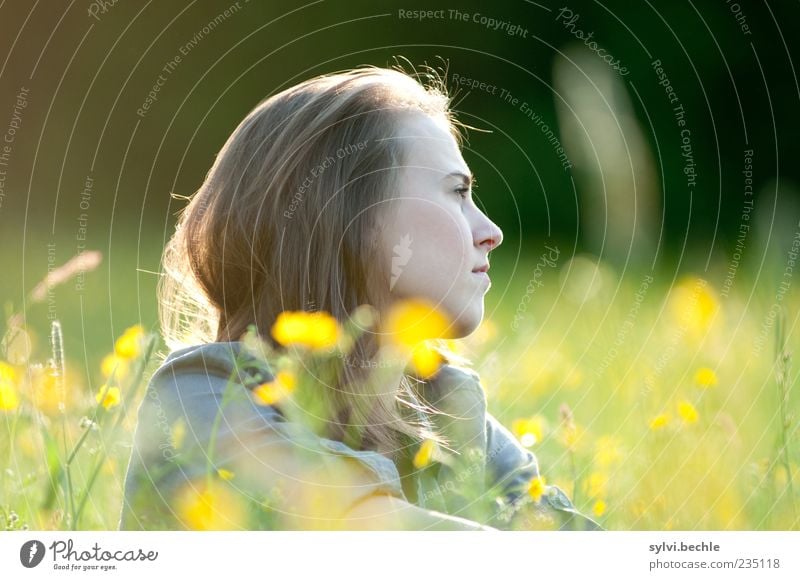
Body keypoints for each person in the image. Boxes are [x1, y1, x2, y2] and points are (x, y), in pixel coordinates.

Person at [119, 65, 602, 531]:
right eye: (457, 192)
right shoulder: (198, 400)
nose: (490, 232)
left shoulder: (448, 409)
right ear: (354, 217)